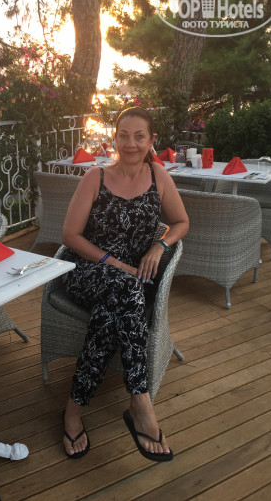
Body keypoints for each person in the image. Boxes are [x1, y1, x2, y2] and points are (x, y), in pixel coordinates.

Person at [61, 106, 189, 461]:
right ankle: (140, 403)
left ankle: (73, 409)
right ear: (114, 138)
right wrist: (115, 263)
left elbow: (181, 222)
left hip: (130, 281)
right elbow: (70, 236)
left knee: (109, 316)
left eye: (139, 136)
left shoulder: (159, 176)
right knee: (128, 288)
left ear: (151, 140)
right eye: (123, 135)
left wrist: (159, 245)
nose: (131, 143)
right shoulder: (96, 177)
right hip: (86, 270)